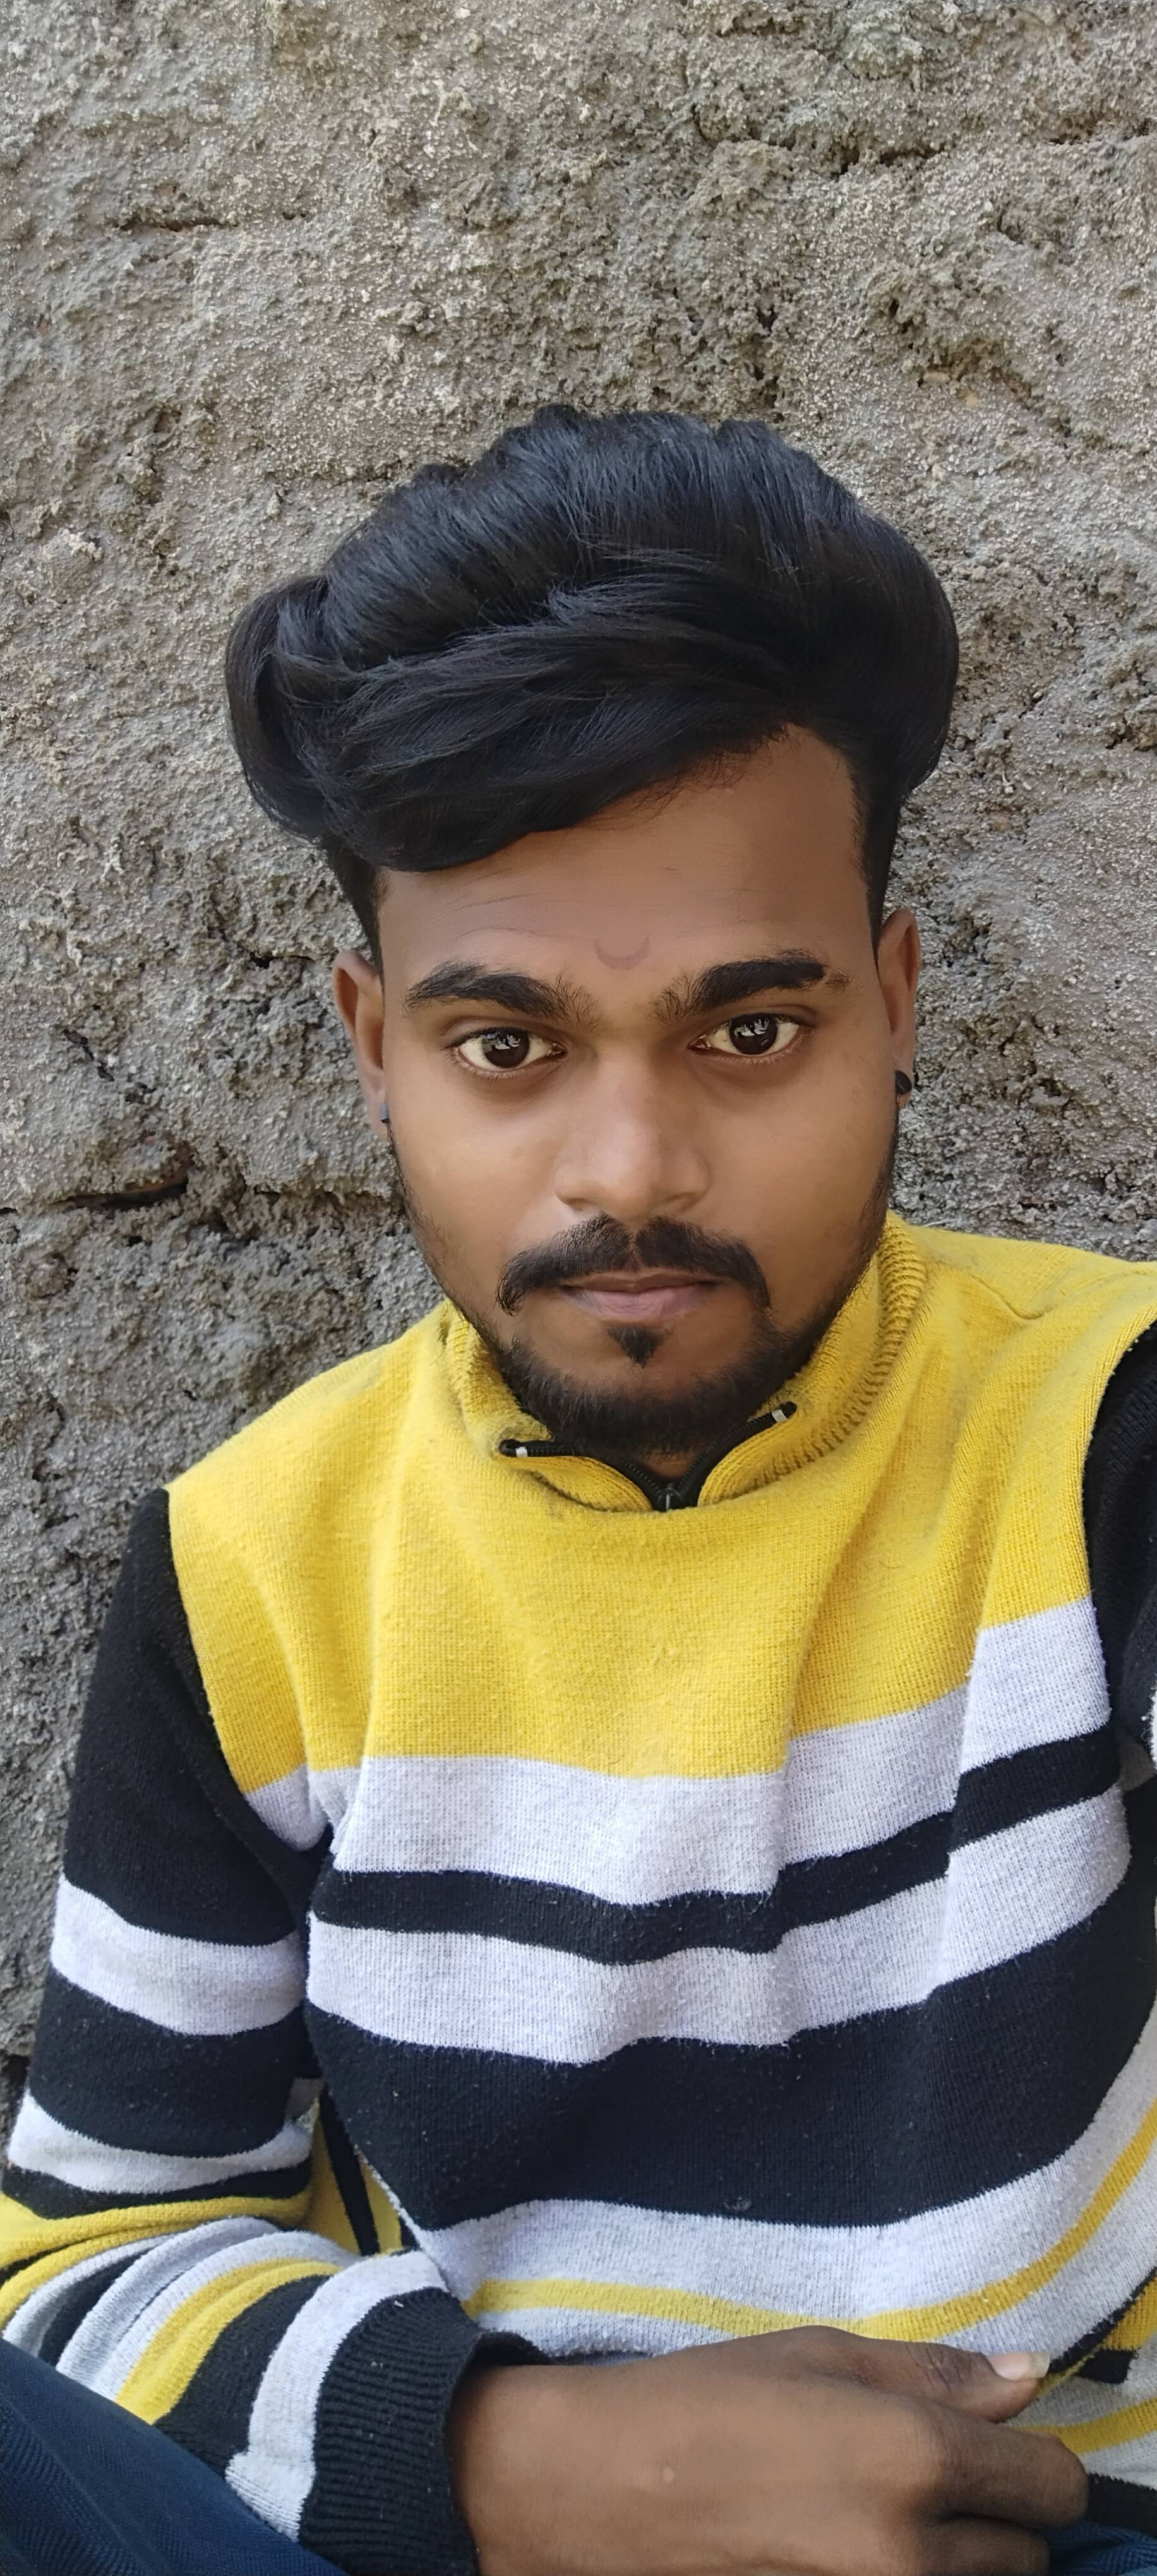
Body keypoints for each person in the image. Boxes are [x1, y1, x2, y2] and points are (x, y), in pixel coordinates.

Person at [2, 407, 1156, 2576]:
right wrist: (520, 2463)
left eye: (750, 1032)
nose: (632, 1173)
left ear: (895, 1005)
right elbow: (86, 2258)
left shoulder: (1108, 1436)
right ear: (374, 1044)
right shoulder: (258, 1561)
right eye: (509, 1047)